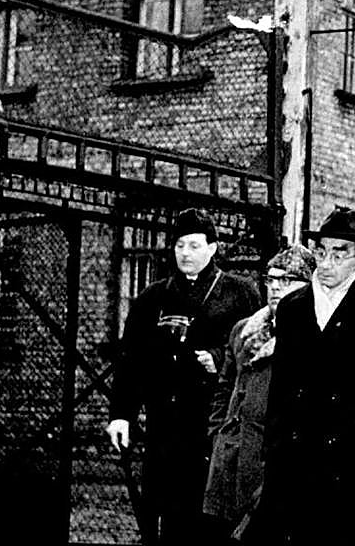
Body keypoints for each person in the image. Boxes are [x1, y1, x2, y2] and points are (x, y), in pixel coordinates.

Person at [250, 207, 355, 546]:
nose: (326, 262)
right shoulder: (294, 308)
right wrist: (277, 450)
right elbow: (280, 391)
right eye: (322, 252)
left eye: (339, 253)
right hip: (297, 469)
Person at [106, 208, 261, 544]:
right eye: (179, 246)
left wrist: (219, 359)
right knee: (166, 522)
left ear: (213, 248)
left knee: (211, 522)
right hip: (165, 430)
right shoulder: (153, 297)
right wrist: (121, 415)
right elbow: (129, 360)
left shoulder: (240, 293)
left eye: (193, 246)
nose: (185, 254)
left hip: (214, 428)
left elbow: (256, 352)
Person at [202, 245, 313, 538]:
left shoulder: (310, 335)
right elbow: (224, 388)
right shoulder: (245, 329)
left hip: (271, 462)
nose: (276, 287)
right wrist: (218, 433)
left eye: (287, 280)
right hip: (230, 457)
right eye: (271, 279)